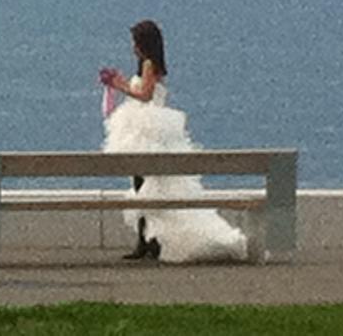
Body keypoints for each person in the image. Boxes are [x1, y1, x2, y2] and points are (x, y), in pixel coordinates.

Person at [100, 19, 247, 263]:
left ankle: (146, 242)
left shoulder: (148, 64)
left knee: (143, 187)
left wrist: (119, 85)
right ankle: (148, 240)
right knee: (147, 187)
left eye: (135, 42)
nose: (132, 47)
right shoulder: (153, 65)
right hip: (148, 127)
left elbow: (144, 95)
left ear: (142, 43)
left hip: (144, 130)